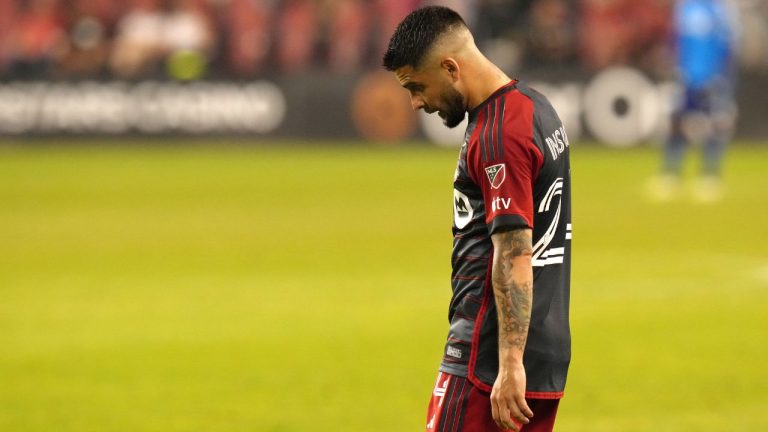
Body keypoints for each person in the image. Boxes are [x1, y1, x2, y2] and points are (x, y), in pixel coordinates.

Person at [382, 7, 571, 432]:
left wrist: (508, 363)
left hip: (487, 359)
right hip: (544, 352)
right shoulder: (535, 107)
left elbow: (515, 253)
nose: (415, 102)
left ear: (450, 67)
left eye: (417, 86)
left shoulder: (499, 133)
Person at [649, 0, 739, 202]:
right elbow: (675, 42)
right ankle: (671, 174)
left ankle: (710, 175)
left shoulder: (719, 10)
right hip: (686, 77)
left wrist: (722, 75)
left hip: (712, 77)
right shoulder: (685, 7)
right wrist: (673, 67)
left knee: (715, 125)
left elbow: (727, 46)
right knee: (677, 124)